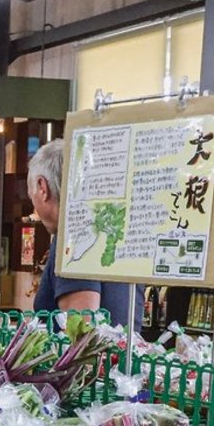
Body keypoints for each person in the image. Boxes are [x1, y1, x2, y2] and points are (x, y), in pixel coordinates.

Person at [27, 139, 138, 328]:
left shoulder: (76, 236)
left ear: (42, 187)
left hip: (90, 358)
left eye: (32, 194)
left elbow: (82, 329)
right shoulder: (112, 231)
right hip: (122, 354)